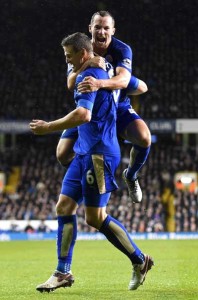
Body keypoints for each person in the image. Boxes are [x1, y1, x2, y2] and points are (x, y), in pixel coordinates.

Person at [29, 32, 154, 293]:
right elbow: (136, 85)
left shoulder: (91, 76)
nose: (67, 61)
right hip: (84, 150)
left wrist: (48, 127)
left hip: (99, 153)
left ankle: (140, 260)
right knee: (63, 206)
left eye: (69, 56)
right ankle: (63, 272)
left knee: (95, 218)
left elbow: (84, 114)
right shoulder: (100, 69)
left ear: (83, 54)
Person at [56, 11, 151, 204]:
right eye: (97, 27)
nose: (101, 31)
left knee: (144, 138)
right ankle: (85, 176)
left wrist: (100, 83)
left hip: (118, 108)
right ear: (90, 28)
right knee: (62, 154)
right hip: (90, 109)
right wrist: (89, 63)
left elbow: (123, 79)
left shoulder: (122, 49)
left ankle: (131, 176)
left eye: (106, 28)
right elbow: (70, 83)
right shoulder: (80, 48)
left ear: (113, 31)